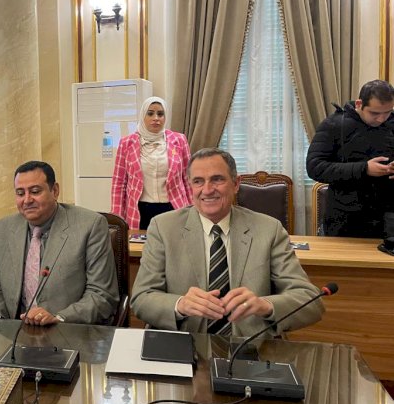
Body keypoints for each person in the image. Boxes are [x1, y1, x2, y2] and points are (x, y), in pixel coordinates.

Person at [131, 148, 323, 338]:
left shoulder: (269, 229)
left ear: (236, 184)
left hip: (250, 345)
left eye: (217, 179)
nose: (207, 190)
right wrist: (179, 304)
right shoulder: (163, 227)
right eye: (198, 181)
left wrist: (265, 305)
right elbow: (141, 298)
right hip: (183, 345)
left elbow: (310, 301)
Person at [0, 161, 119, 325]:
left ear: (54, 191)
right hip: (14, 331)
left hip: (68, 329)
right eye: (20, 193)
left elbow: (101, 295)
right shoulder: (1, 230)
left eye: (35, 191)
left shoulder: (90, 226)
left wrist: (59, 318)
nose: (27, 200)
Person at [306, 80, 394, 238]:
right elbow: (315, 167)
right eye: (374, 113)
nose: (381, 119)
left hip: (388, 219)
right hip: (345, 219)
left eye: (387, 112)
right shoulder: (333, 125)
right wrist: (364, 169)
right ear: (359, 104)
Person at [111, 96, 192, 230]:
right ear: (143, 116)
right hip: (140, 211)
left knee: (173, 242)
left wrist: (194, 209)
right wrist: (117, 217)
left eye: (160, 114)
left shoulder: (179, 140)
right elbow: (119, 183)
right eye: (150, 113)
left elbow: (188, 178)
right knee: (140, 243)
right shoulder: (126, 143)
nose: (156, 118)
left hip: (173, 208)